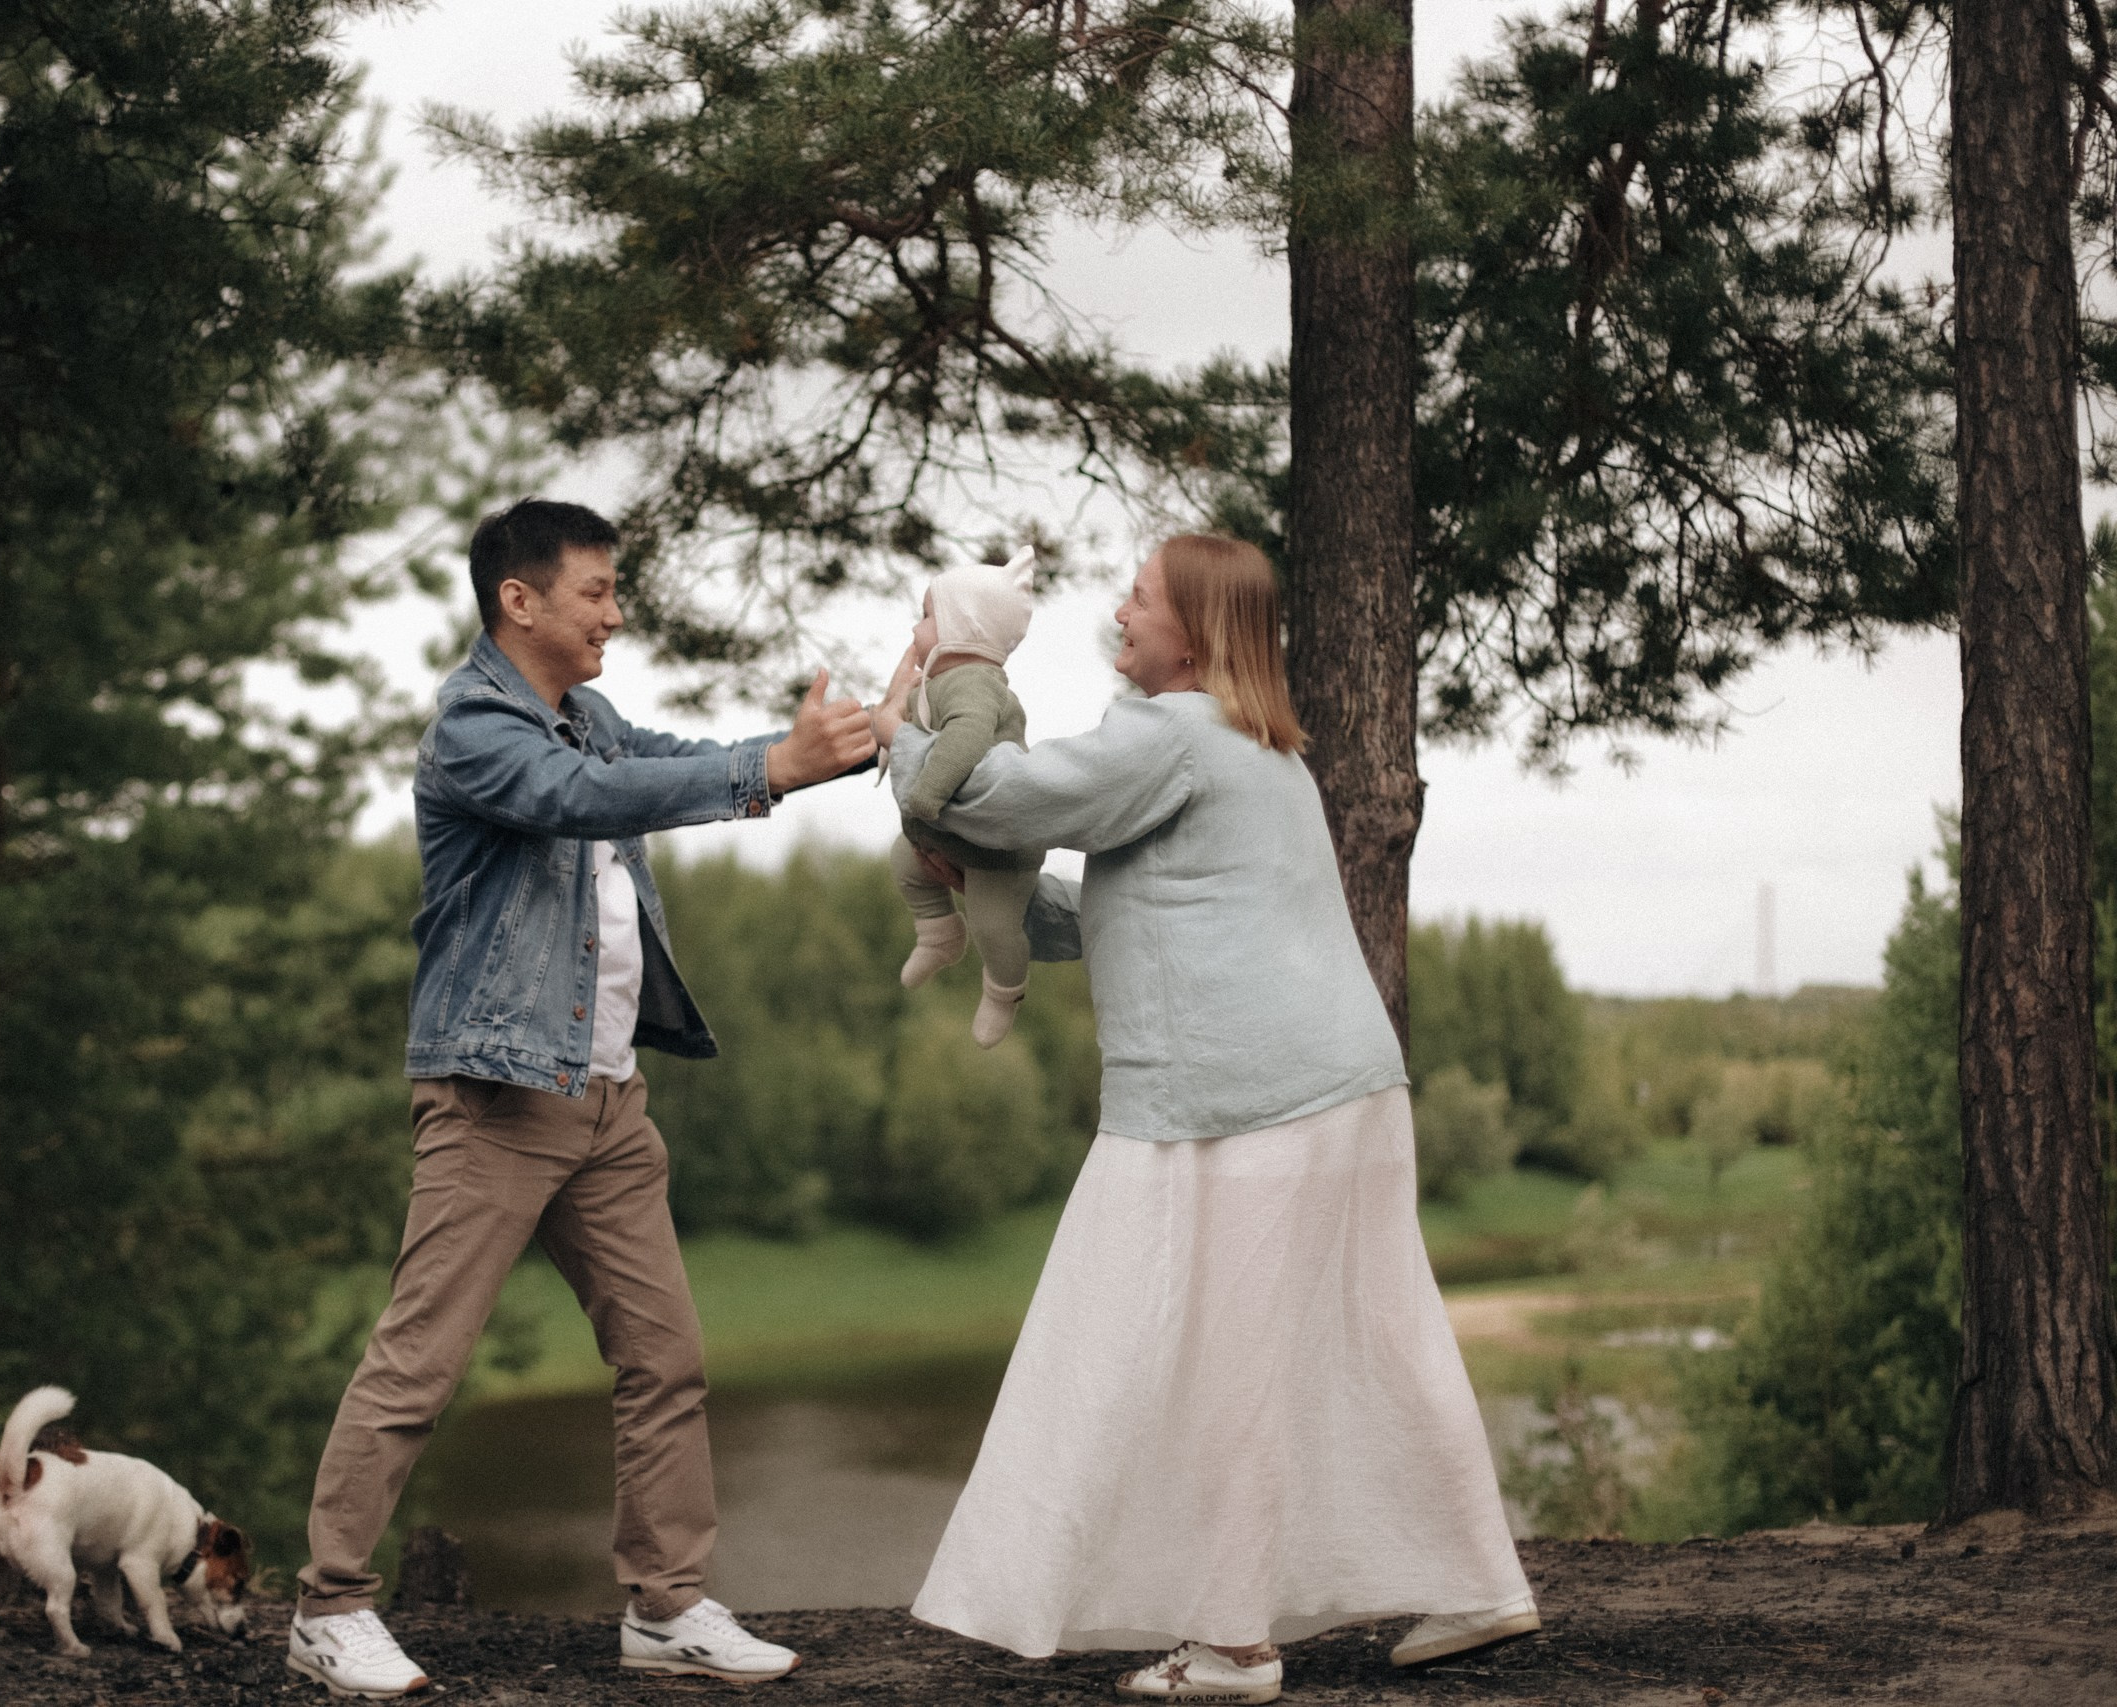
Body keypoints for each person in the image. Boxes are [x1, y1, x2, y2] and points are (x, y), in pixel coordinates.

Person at [877, 534, 1537, 1703]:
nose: (1117, 612)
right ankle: (1481, 1583)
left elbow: (1000, 794)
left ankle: (1233, 1646)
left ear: (1194, 630)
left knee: (1207, 1362)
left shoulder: (1170, 735)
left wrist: (903, 725)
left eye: (1139, 596)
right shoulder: (1255, 751)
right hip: (1338, 1087)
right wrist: (988, 894)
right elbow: (1106, 916)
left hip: (1242, 1105)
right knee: (1387, 1332)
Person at [286, 498, 876, 1700]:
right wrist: (773, 767)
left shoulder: (587, 717)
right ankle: (328, 1606)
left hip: (608, 1103)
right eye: (598, 590)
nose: (616, 611)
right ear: (521, 599)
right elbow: (586, 801)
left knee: (665, 1359)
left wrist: (843, 742)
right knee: (419, 1365)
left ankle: (666, 1608)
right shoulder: (473, 730)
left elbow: (665, 768)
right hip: (497, 1102)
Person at [887, 549, 1045, 1047]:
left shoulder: (975, 685)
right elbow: (909, 722)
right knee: (905, 862)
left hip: (1000, 845)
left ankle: (1004, 989)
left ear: (963, 628)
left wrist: (924, 796)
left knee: (996, 926)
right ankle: (938, 934)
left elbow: (967, 740)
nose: (916, 628)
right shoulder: (941, 682)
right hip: (957, 834)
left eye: (927, 616)